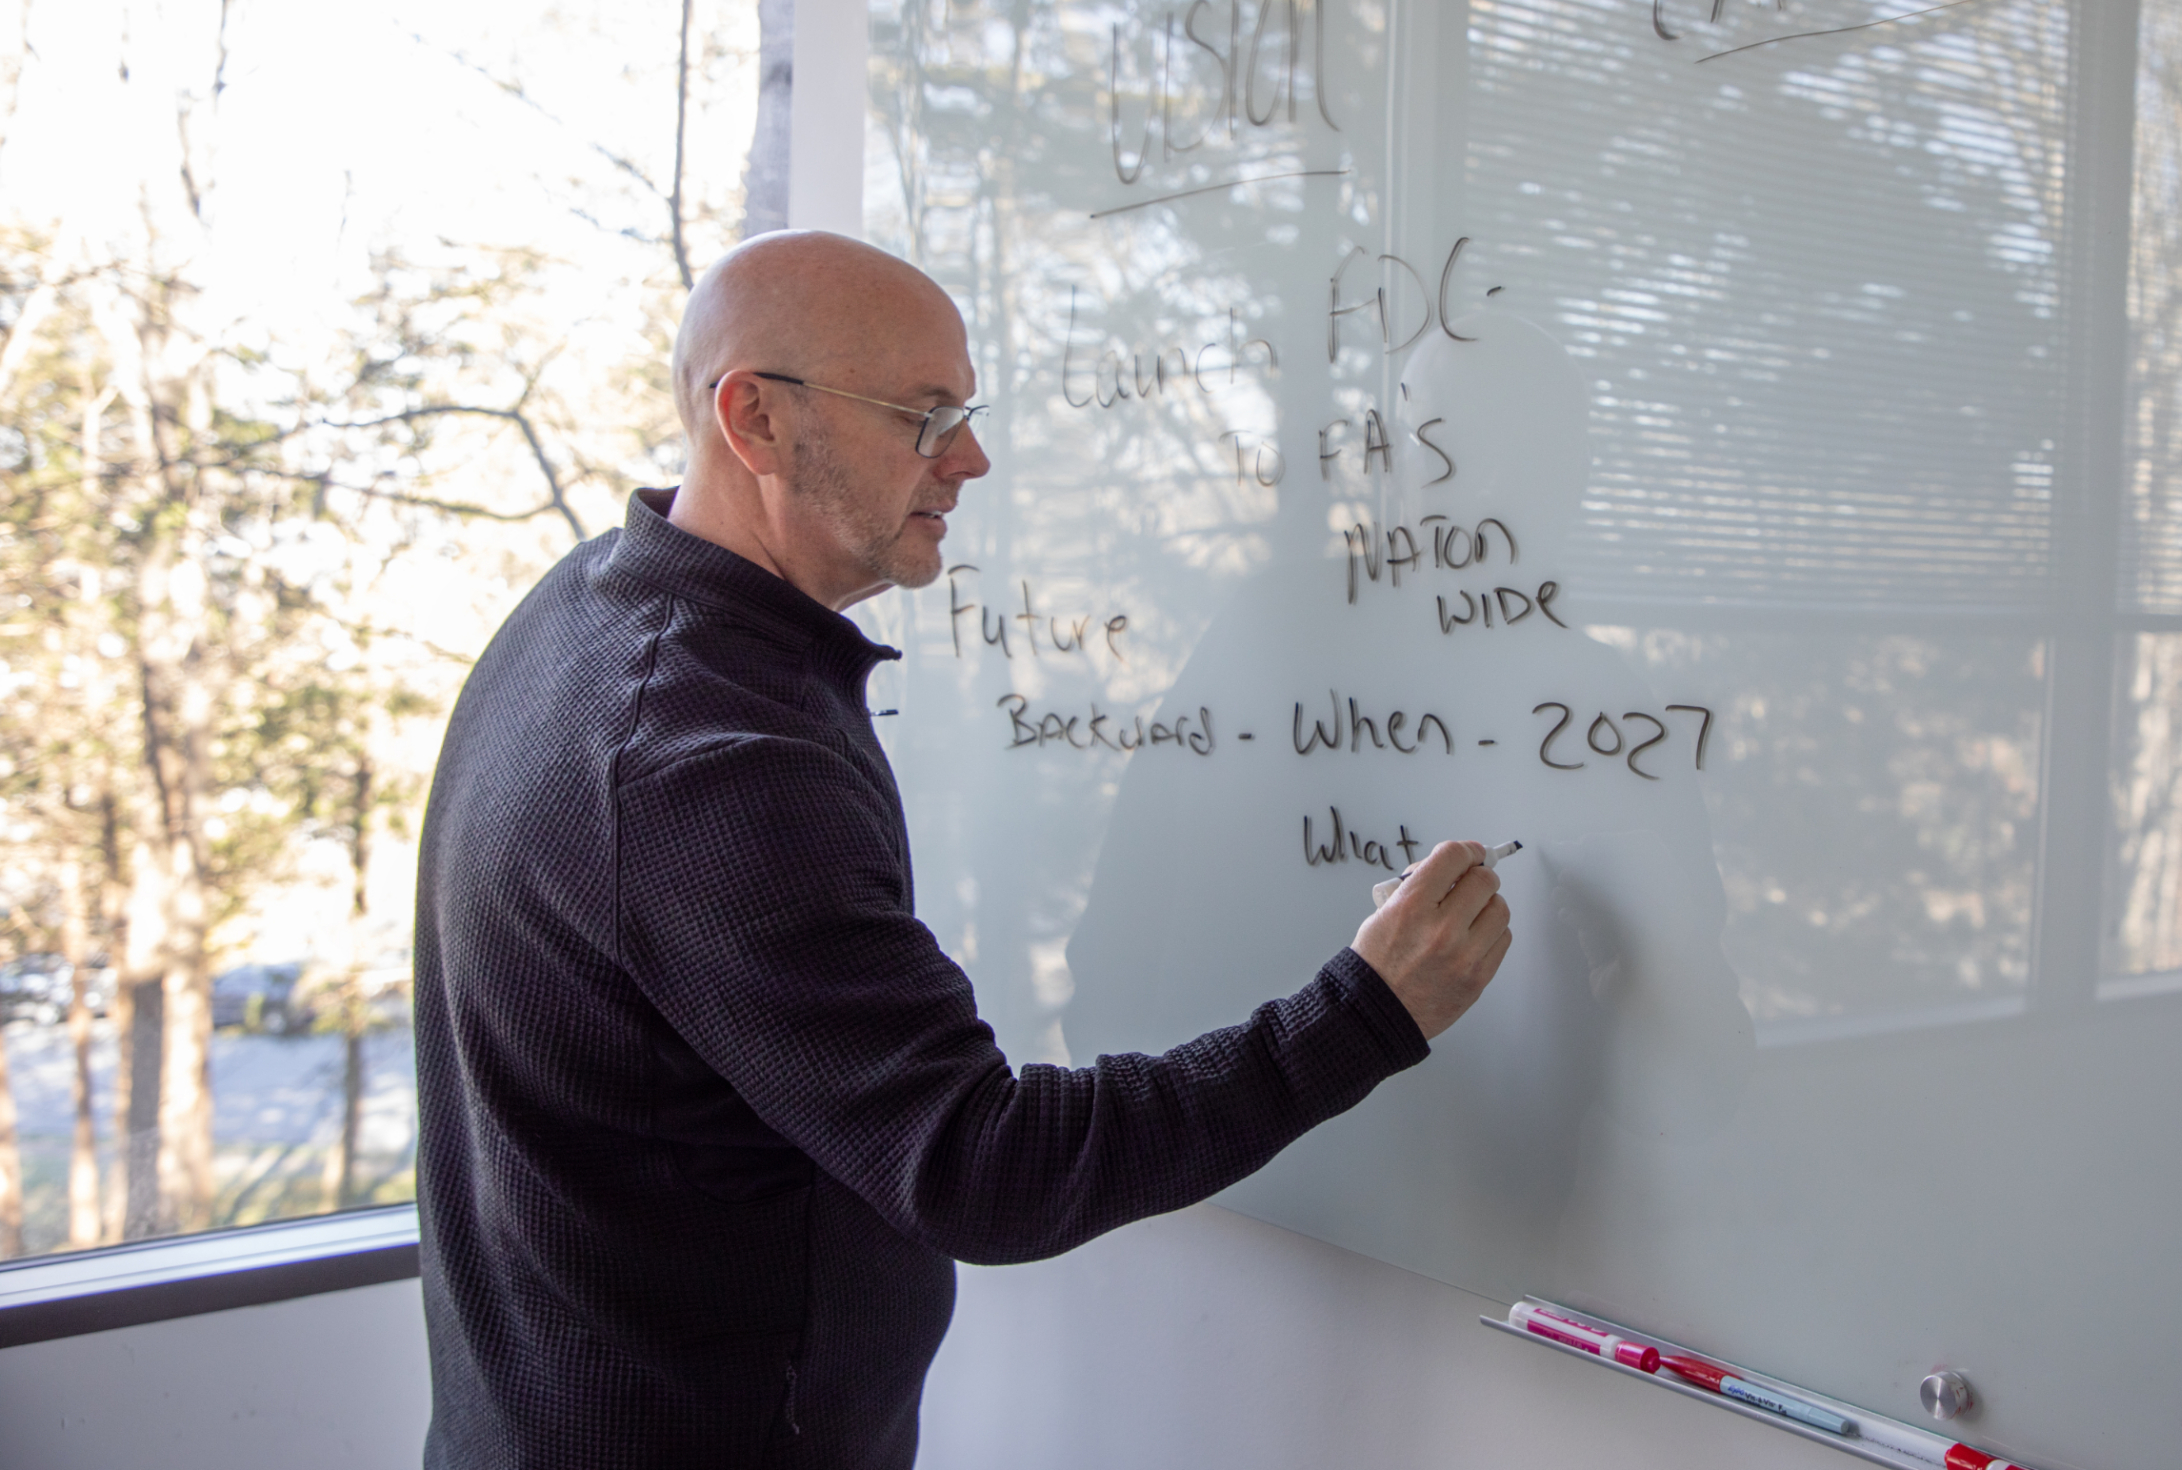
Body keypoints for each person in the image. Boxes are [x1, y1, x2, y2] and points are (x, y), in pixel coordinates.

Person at [412, 230, 1513, 1469]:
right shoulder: (707, 762)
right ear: (756, 420)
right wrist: (1365, 1014)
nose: (971, 457)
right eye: (925, 417)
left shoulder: (586, 612)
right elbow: (981, 1167)